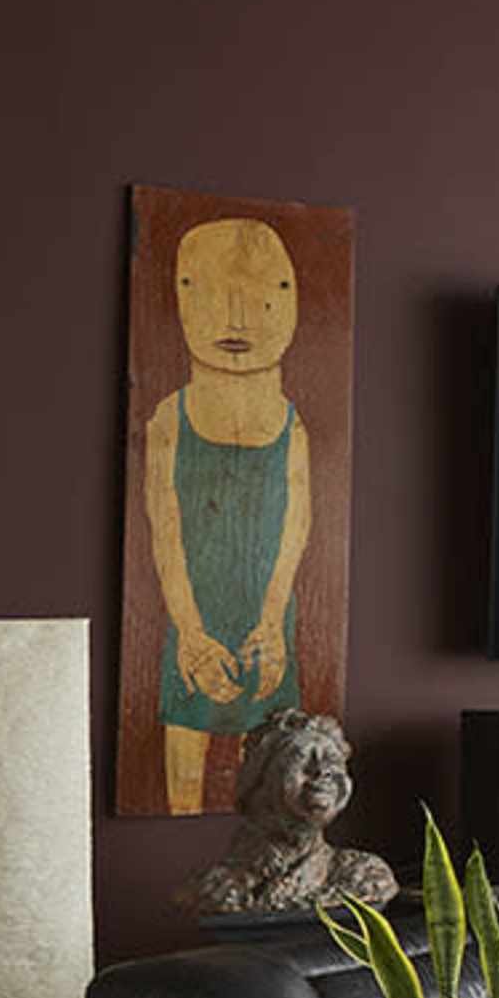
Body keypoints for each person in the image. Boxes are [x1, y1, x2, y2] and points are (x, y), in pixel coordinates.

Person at [144, 217, 314, 815]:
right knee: (182, 791)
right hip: (190, 617)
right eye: (211, 295)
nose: (237, 318)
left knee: (269, 797)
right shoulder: (170, 418)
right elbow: (164, 534)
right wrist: (190, 632)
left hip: (270, 628)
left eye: (264, 296)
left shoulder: (293, 426)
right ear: (182, 297)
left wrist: (271, 622)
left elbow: (296, 530)